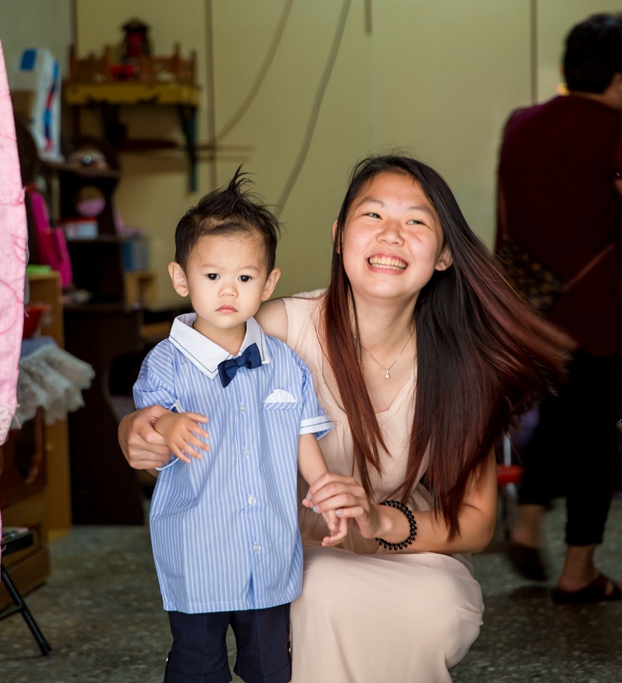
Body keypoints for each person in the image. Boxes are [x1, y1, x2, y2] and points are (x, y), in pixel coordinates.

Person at [121, 154, 570, 682]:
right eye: (373, 215)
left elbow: (474, 523)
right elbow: (176, 394)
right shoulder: (272, 330)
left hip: (408, 547)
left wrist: (380, 521)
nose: (392, 234)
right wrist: (137, 432)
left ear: (445, 254)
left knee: (437, 608)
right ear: (339, 237)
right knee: (322, 593)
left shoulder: (463, 366)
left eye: (417, 221)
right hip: (283, 546)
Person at [496, 12, 622, 603]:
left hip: (533, 303)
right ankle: (579, 569)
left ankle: (529, 519)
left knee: (556, 415)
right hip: (595, 302)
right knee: (594, 436)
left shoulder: (521, 125)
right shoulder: (621, 131)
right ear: (619, 79)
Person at [132, 171, 347, 683]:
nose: (228, 290)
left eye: (245, 278)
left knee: (271, 667)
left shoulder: (284, 363)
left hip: (268, 548)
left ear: (269, 282)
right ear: (182, 279)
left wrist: (323, 488)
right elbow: (147, 422)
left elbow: (300, 433)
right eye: (212, 277)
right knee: (198, 665)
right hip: (198, 549)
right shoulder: (166, 363)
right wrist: (168, 425)